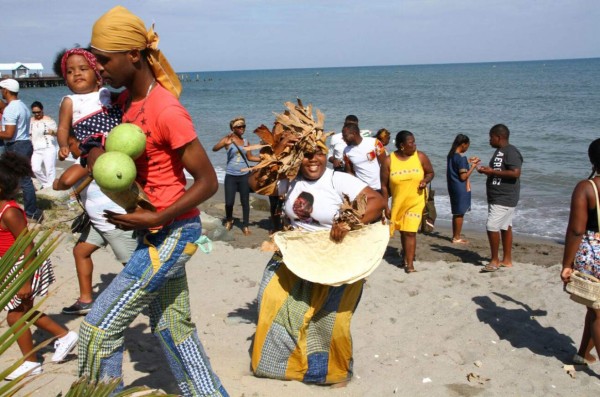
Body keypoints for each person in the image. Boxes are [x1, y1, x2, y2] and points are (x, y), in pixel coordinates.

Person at [80, 6, 228, 396]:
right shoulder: (127, 103)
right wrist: (93, 154)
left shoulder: (166, 109)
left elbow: (208, 180)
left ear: (133, 55)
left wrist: (156, 216)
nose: (99, 69)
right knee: (172, 329)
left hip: (175, 231)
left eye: (105, 60)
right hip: (156, 231)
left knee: (100, 324)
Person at [250, 131, 386, 384]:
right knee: (270, 301)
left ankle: (327, 373)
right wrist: (278, 151)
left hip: (333, 257)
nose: (314, 159)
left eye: (319, 153)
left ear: (327, 155)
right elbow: (255, 184)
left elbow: (377, 202)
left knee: (328, 319)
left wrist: (348, 221)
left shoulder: (339, 180)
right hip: (293, 254)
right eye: (307, 154)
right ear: (298, 157)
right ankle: (277, 365)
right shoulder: (289, 181)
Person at [0, 152, 78, 380]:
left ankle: (32, 362)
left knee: (16, 317)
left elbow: (28, 247)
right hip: (10, 267)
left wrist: (25, 282)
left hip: (25, 266)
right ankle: (63, 336)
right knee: (23, 312)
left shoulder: (11, 212)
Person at [53, 134, 137, 315]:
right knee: (81, 251)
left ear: (78, 143)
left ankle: (155, 303)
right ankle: (85, 300)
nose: (69, 151)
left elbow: (65, 181)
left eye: (70, 146)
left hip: (115, 222)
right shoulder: (92, 162)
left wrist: (56, 183)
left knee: (134, 268)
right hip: (97, 222)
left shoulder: (91, 162)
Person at [561, 138, 600, 366]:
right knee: (595, 306)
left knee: (597, 311)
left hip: (593, 254)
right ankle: (582, 353)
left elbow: (576, 230)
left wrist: (567, 263)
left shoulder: (587, 188)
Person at [55, 48, 122, 164]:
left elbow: (126, 98)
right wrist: (63, 145)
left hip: (118, 137)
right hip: (92, 145)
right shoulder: (70, 101)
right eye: (70, 72)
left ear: (97, 76)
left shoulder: (105, 93)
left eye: (83, 69)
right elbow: (63, 128)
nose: (76, 73)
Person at [381, 130, 434, 273]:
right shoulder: (389, 160)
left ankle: (410, 265)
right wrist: (386, 206)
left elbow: (430, 172)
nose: (415, 145)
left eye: (414, 141)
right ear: (402, 145)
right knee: (404, 231)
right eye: (411, 142)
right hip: (399, 202)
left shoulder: (420, 157)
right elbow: (384, 186)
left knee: (410, 231)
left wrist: (425, 180)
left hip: (416, 200)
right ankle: (405, 257)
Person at [477, 124, 523, 272]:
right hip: (497, 195)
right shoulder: (499, 151)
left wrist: (492, 172)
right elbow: (498, 171)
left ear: (499, 137)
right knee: (505, 227)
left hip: (504, 196)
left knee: (492, 226)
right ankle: (507, 260)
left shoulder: (511, 151)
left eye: (491, 137)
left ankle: (494, 260)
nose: (489, 140)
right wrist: (487, 171)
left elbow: (515, 173)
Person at [0, 79, 44, 223]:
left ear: (6, 91)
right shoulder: (22, 105)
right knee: (21, 179)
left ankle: (31, 212)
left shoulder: (11, 109)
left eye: (2, 89)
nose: (1, 92)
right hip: (24, 143)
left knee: (23, 181)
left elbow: (8, 134)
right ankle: (30, 210)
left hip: (16, 145)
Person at [212, 116, 259, 235]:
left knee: (245, 202)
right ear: (233, 128)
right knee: (229, 202)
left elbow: (250, 157)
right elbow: (214, 149)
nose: (242, 128)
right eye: (239, 126)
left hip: (244, 175)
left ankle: (246, 225)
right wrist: (224, 142)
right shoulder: (228, 140)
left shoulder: (246, 141)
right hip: (231, 175)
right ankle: (229, 220)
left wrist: (263, 159)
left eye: (243, 126)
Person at [446, 134, 480, 244]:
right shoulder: (461, 158)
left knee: (456, 212)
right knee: (460, 213)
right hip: (460, 187)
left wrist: (467, 162)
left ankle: (455, 236)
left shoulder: (451, 155)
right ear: (463, 144)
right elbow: (463, 177)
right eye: (467, 146)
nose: (467, 148)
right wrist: (473, 167)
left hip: (452, 186)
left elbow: (457, 166)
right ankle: (456, 237)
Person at [342, 122, 386, 191]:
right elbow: (349, 171)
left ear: (353, 134)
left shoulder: (374, 143)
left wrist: (385, 185)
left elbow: (385, 164)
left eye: (345, 136)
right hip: (362, 189)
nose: (343, 139)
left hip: (379, 187)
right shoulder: (346, 151)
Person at [29, 101, 58, 189]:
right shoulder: (30, 121)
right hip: (36, 149)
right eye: (34, 112)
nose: (37, 114)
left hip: (48, 147)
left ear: (42, 110)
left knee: (50, 169)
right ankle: (46, 184)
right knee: (35, 169)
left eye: (38, 112)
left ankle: (51, 187)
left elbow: (57, 133)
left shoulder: (48, 120)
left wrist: (52, 132)